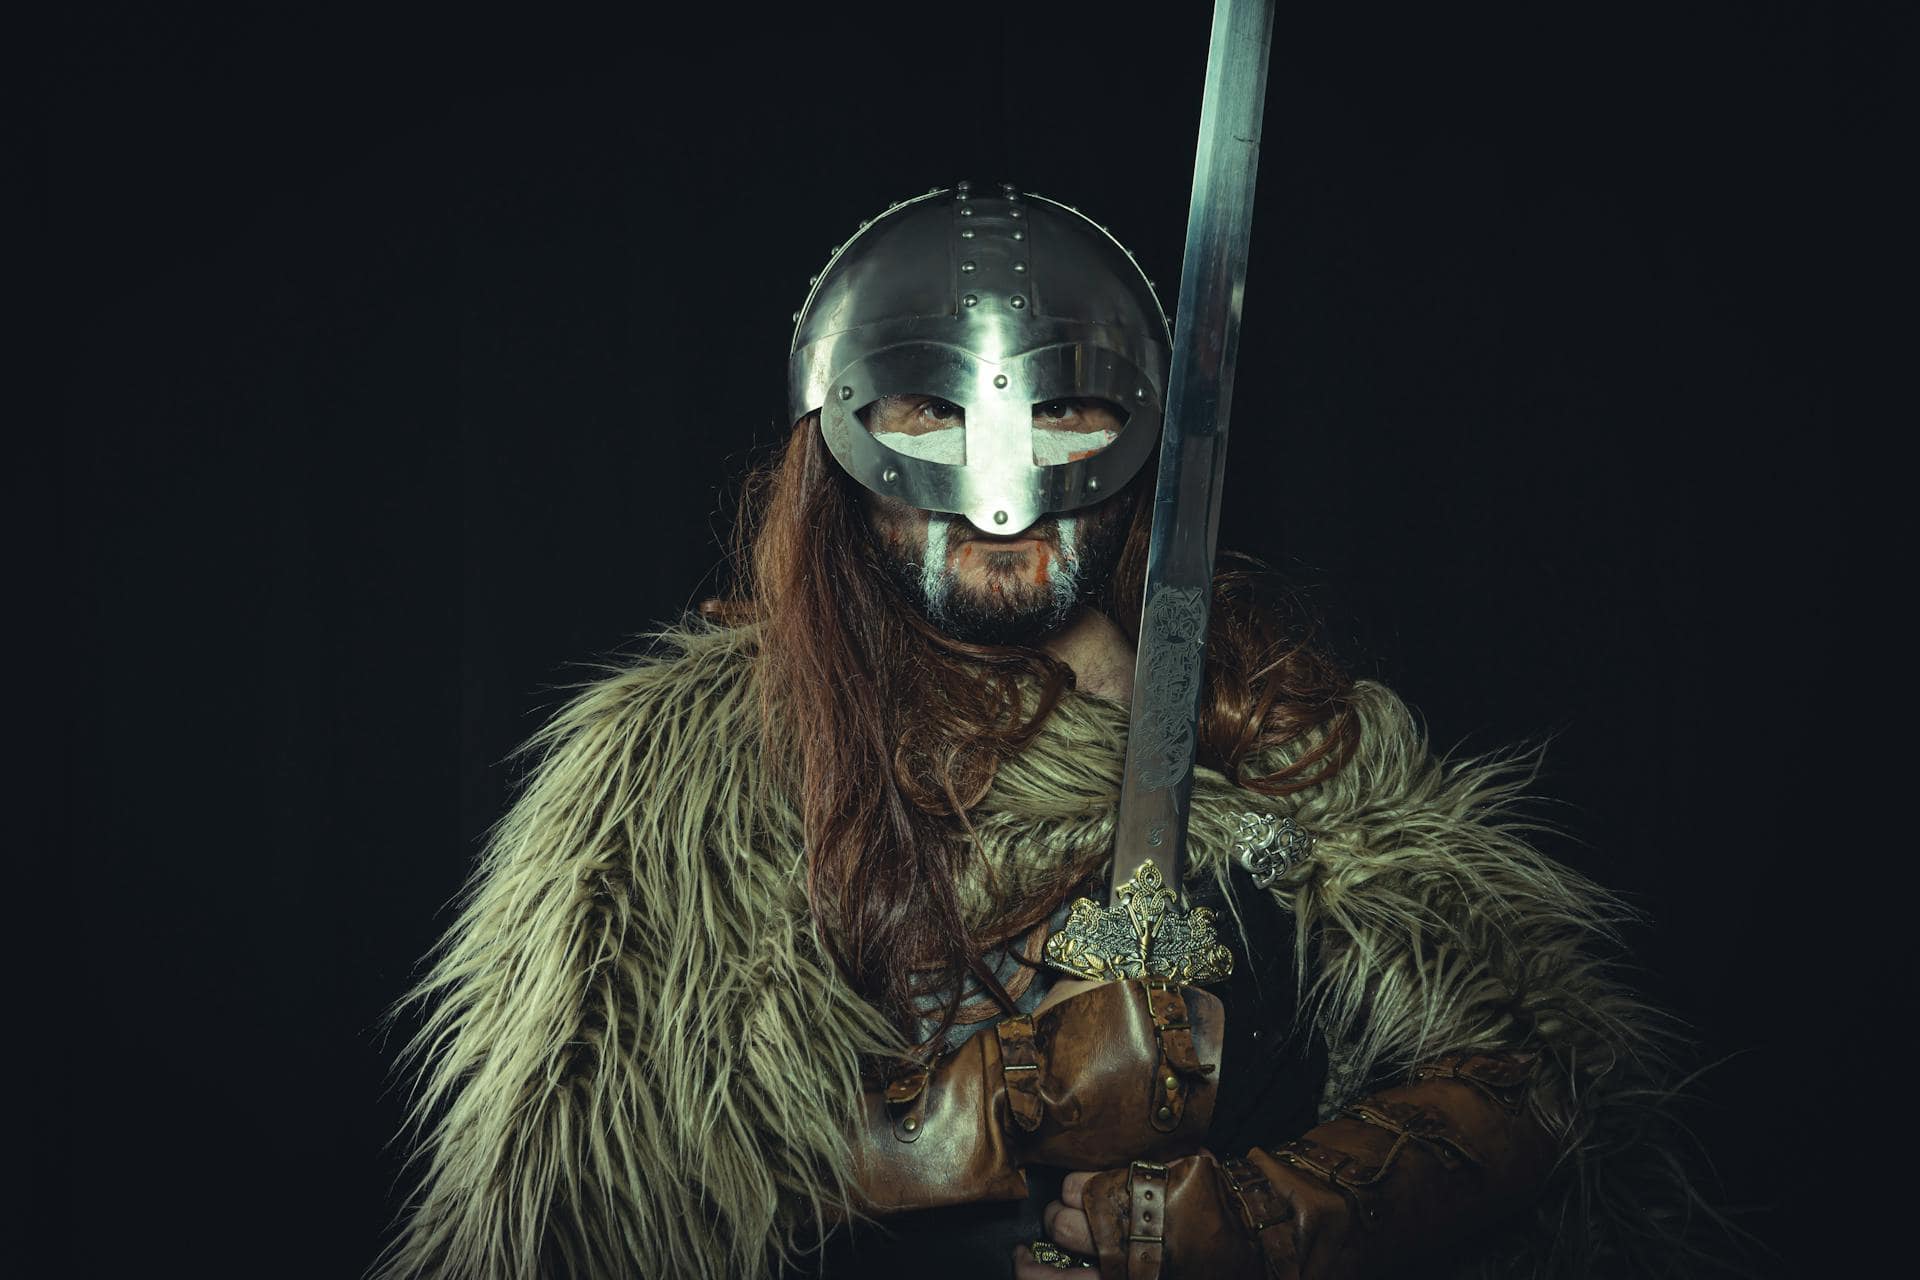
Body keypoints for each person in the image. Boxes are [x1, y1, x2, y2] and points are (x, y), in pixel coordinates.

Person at [375, 185, 1705, 1279]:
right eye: (931, 414)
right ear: (841, 450)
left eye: (1067, 410)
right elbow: (571, 1211)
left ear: (1137, 436)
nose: (1001, 493)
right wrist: (992, 1107)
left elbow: (1545, 1082)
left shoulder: (1282, 730)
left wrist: (1285, 1218)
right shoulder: (692, 764)